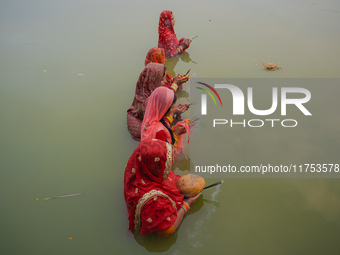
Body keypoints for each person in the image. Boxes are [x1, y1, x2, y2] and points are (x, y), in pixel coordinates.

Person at [124, 138, 200, 236]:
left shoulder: (136, 167)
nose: (169, 166)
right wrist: (187, 204)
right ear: (155, 166)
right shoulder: (154, 202)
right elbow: (167, 230)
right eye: (166, 163)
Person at [141, 87, 190, 154]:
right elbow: (167, 156)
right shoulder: (159, 132)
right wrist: (176, 134)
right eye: (172, 107)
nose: (174, 108)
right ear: (164, 108)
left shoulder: (150, 117)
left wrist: (174, 112)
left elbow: (165, 120)